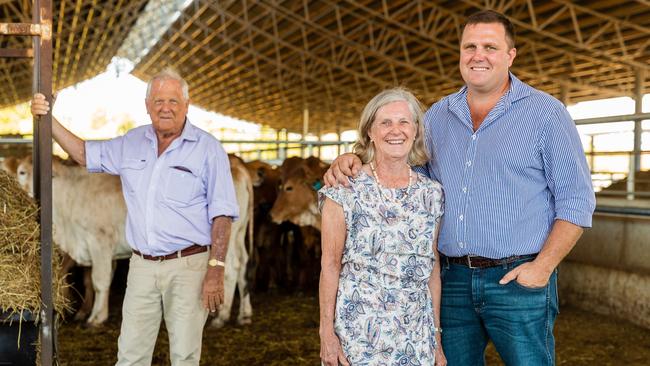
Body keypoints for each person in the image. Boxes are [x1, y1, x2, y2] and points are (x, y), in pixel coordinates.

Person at [324, 10, 595, 366]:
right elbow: (402, 169)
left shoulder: (545, 114)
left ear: (510, 55)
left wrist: (542, 267)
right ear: (460, 53)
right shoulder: (438, 115)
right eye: (470, 46)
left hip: (517, 278)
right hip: (451, 280)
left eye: (490, 47)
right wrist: (353, 158)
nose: (478, 55)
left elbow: (577, 200)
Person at [30, 69, 239, 366]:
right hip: (142, 266)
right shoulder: (132, 143)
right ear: (147, 105)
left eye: (172, 101)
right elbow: (83, 153)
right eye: (158, 101)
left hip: (189, 266)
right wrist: (48, 119)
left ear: (186, 105)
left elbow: (222, 214)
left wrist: (216, 269)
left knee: (184, 356)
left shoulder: (208, 149)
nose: (165, 107)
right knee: (130, 355)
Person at [319, 88, 446, 366]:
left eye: (404, 122)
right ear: (370, 133)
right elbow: (330, 265)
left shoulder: (432, 193)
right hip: (359, 331)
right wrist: (326, 333)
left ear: (415, 131)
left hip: (416, 333)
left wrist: (436, 340)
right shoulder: (343, 189)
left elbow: (432, 268)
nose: (395, 131)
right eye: (385, 123)